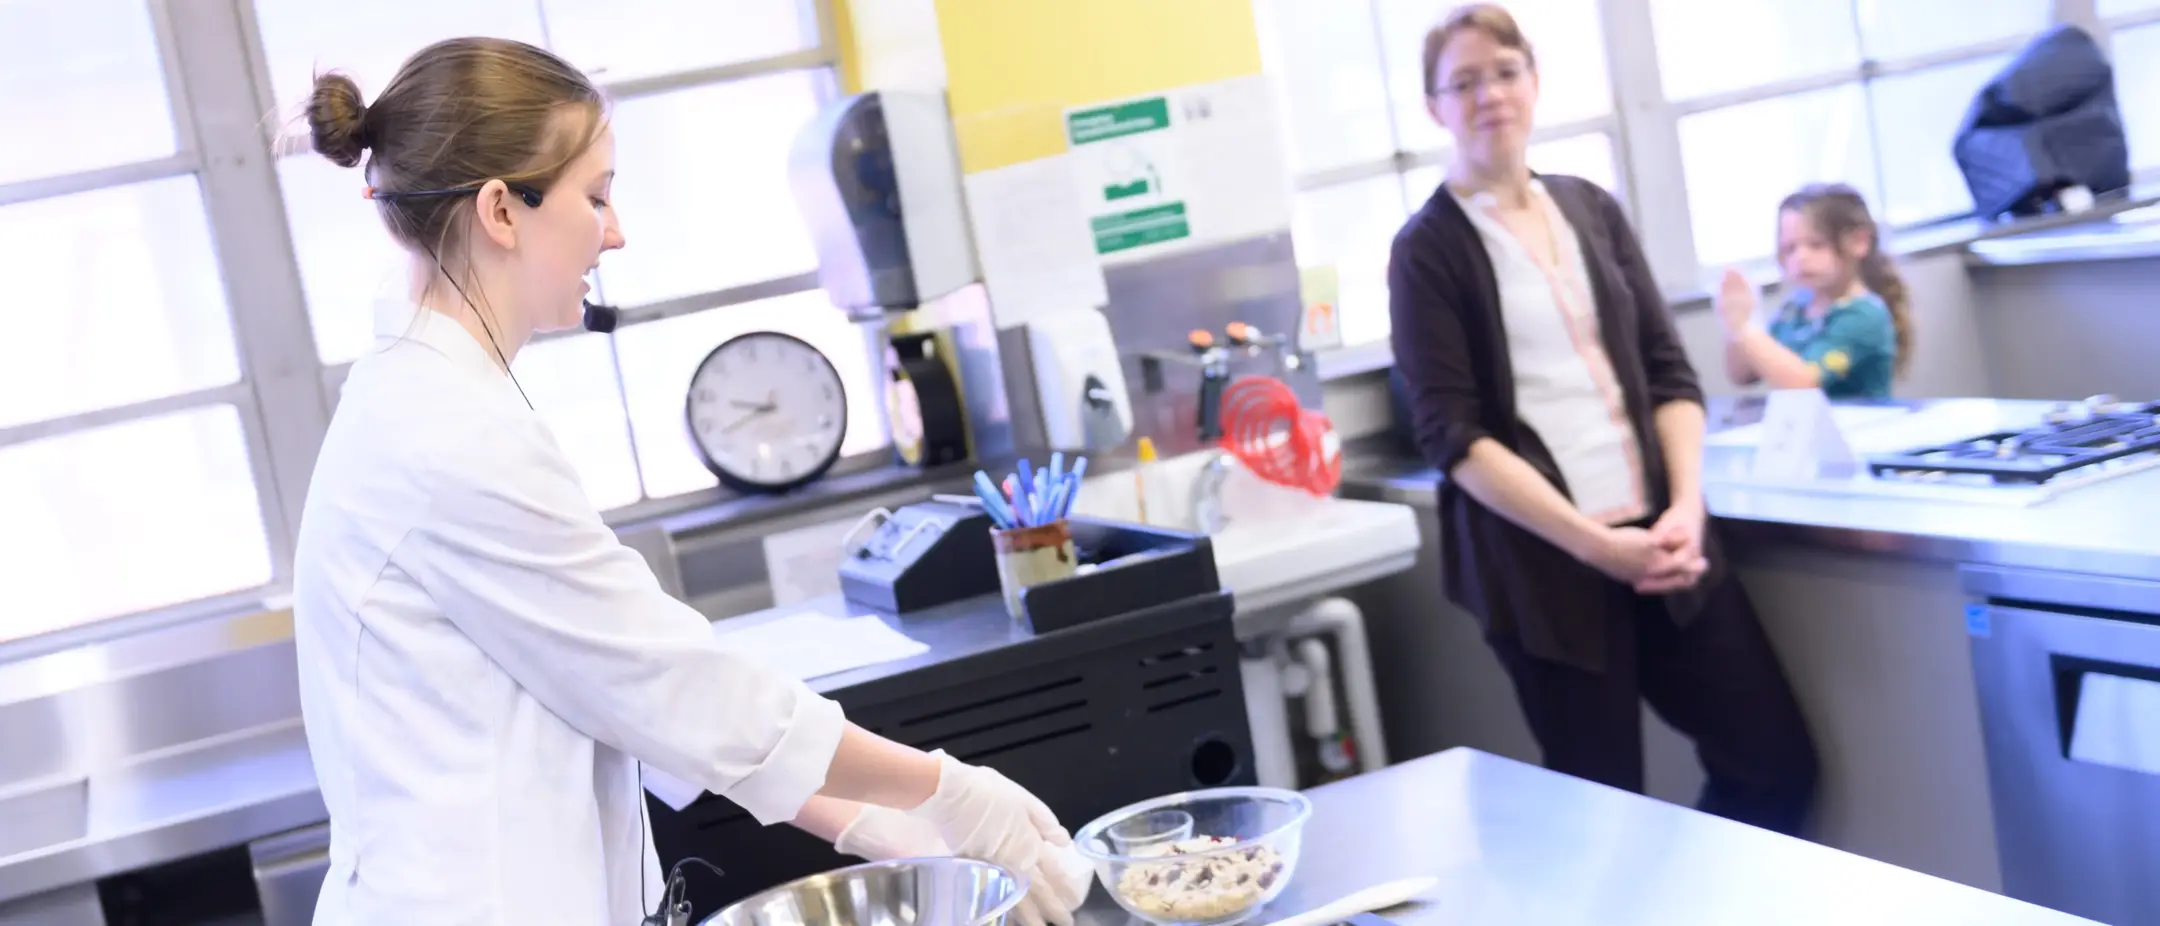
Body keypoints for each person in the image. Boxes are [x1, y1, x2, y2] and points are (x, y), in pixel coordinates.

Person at [291, 38, 1085, 925]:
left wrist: (859, 817)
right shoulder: (445, 433)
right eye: (595, 195)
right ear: (501, 211)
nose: (617, 231)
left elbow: (611, 689)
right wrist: (946, 790)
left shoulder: (437, 399)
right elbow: (675, 687)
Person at [1386, 4, 1818, 835]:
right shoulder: (1426, 250)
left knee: (1773, 763)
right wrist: (1598, 549)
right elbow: (1454, 438)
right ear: (1435, 107)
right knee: (1603, 819)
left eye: (1506, 72)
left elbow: (1669, 374)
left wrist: (1687, 510)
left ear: (1535, 82)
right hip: (1548, 569)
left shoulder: (1590, 209)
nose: (1490, 96)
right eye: (1464, 82)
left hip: (1669, 541)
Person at [1720, 183, 1912, 399]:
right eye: (1790, 248)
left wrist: (1744, 328)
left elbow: (1804, 384)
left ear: (1859, 242)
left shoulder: (1864, 314)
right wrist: (1734, 326)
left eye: (1816, 244)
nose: (1800, 258)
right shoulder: (1795, 308)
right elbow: (1743, 375)